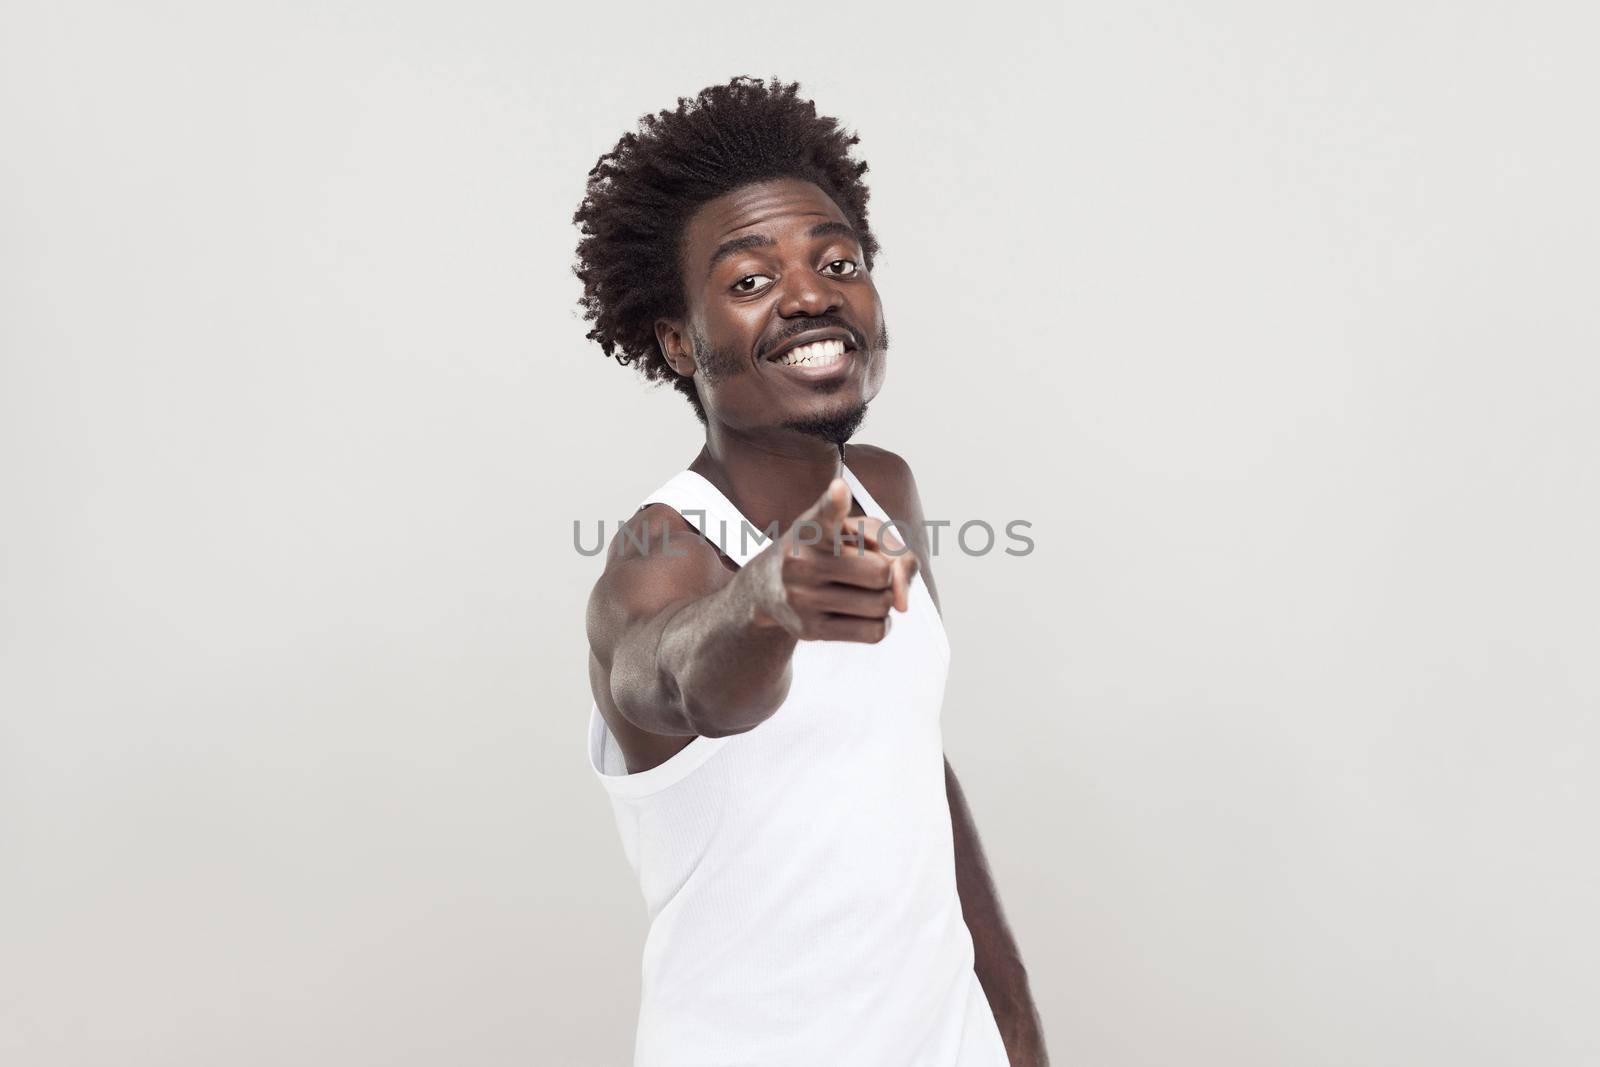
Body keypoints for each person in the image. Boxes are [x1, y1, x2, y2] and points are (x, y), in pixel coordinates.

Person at [573, 76, 1047, 1066]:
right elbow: (673, 681)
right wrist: (764, 600)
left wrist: (1016, 1037)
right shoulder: (651, 563)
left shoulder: (884, 488)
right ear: (677, 340)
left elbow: (914, 766)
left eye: (837, 260)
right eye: (748, 280)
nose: (807, 293)